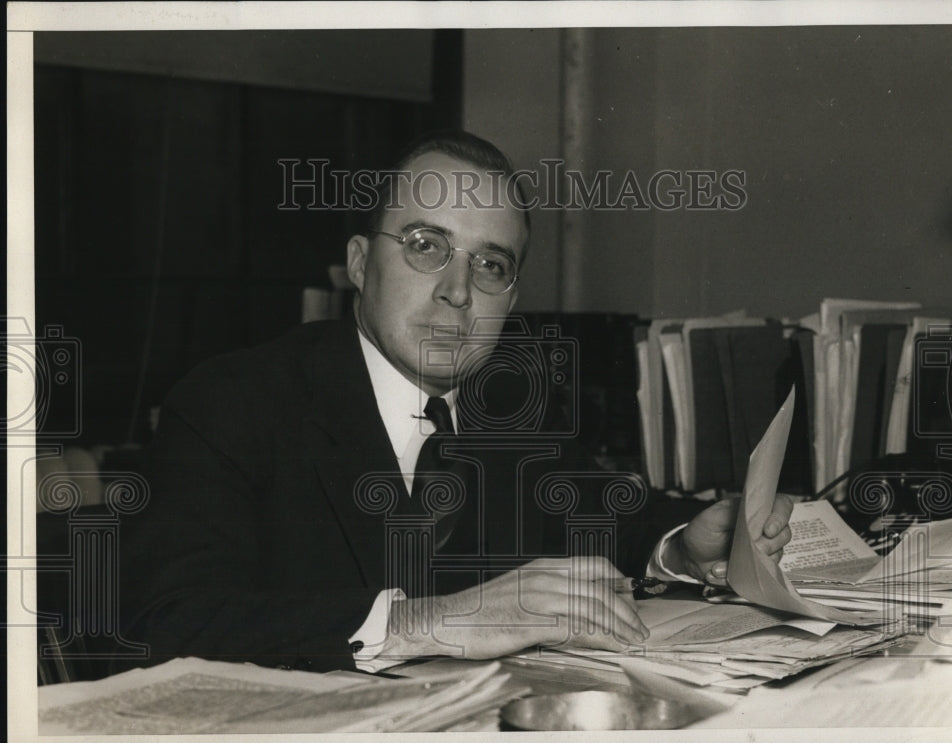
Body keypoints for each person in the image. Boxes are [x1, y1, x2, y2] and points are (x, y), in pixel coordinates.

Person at [119, 131, 791, 673]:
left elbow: (610, 515)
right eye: (426, 246)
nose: (458, 289)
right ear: (359, 263)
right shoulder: (232, 403)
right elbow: (168, 618)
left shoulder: (510, 408)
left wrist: (689, 541)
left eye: (490, 264)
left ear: (511, 297)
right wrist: (432, 619)